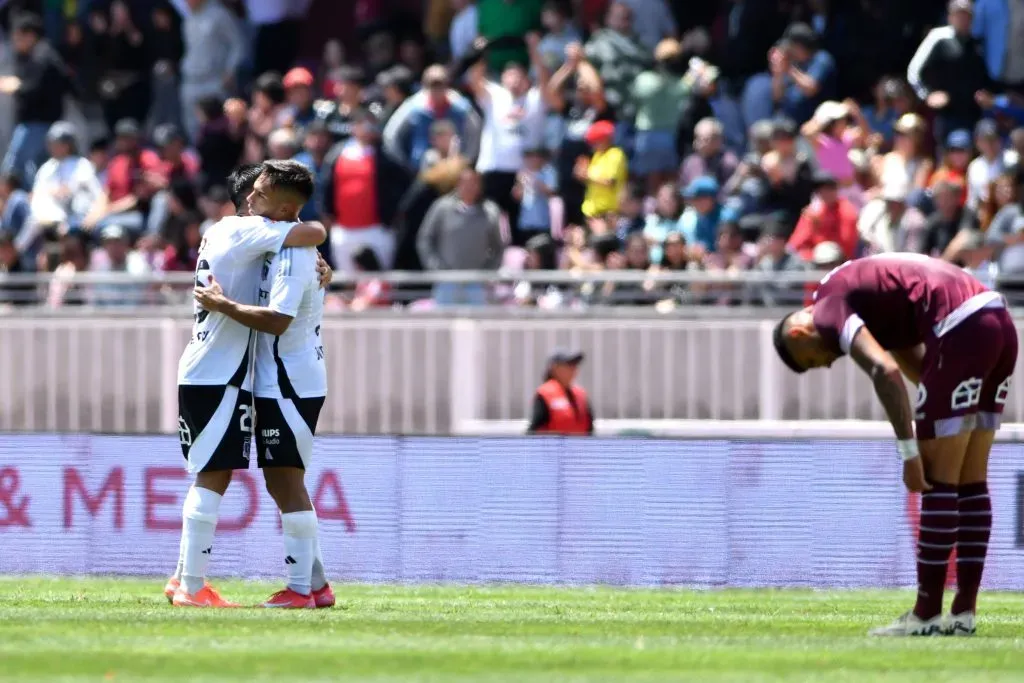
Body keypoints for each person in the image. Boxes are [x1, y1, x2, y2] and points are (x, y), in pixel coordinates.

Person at [772, 253, 1018, 636]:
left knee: (937, 481)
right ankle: (963, 613)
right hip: (996, 321)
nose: (828, 363)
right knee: (971, 482)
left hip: (960, 327)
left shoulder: (826, 307)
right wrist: (942, 395)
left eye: (815, 360)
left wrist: (909, 451)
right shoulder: (870, 299)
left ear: (800, 334)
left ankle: (925, 615)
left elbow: (883, 369)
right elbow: (911, 362)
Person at [167, 161, 328, 607]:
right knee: (217, 475)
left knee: (271, 479)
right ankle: (191, 586)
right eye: (253, 193)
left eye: (262, 193)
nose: (253, 199)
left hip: (248, 374)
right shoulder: (244, 232)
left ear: (278, 206)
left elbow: (303, 256)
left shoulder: (259, 240)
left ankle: (304, 587)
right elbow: (314, 232)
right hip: (218, 373)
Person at [527, 349, 594, 435]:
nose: (573, 369)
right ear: (555, 368)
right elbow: (533, 430)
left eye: (575, 365)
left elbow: (590, 430)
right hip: (552, 447)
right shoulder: (545, 394)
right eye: (569, 365)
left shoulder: (581, 395)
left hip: (579, 447)